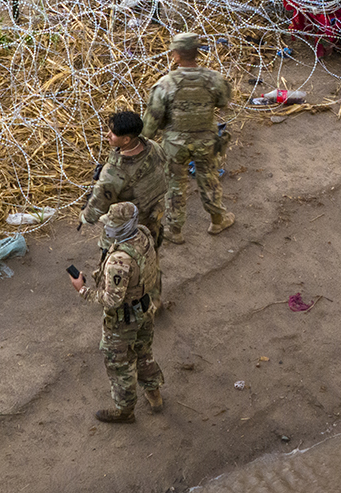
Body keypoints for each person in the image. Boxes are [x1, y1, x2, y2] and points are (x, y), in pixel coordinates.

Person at [67, 201, 163, 424]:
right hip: (145, 308)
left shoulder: (119, 261)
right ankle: (154, 394)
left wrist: (82, 289)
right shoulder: (144, 234)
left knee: (120, 365)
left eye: (111, 225)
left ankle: (125, 411)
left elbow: (112, 300)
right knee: (144, 352)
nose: (107, 228)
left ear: (121, 228)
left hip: (123, 320)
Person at [144, 31, 233, 242]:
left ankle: (175, 231)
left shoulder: (165, 83)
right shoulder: (213, 79)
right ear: (197, 52)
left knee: (175, 184)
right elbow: (223, 101)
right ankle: (217, 221)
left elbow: (152, 120)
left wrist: (142, 143)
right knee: (209, 179)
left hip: (175, 143)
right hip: (206, 140)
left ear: (176, 55)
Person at [83, 110, 169, 244]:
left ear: (126, 139)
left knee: (114, 255)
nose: (108, 135)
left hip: (127, 225)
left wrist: (85, 217)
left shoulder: (114, 172)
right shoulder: (153, 147)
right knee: (150, 250)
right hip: (154, 213)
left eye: (113, 134)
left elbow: (98, 205)